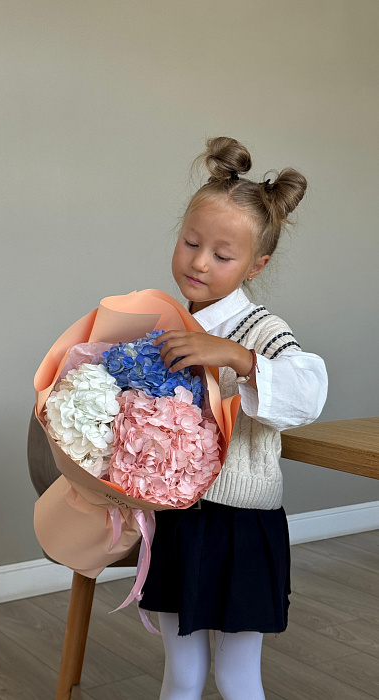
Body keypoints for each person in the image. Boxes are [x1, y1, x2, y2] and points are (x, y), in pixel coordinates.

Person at [138, 136, 328, 699]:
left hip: (242, 524)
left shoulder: (262, 331)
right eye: (190, 242)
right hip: (179, 521)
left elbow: (307, 395)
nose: (199, 262)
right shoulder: (166, 320)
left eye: (222, 255)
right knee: (182, 674)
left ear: (255, 264)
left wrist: (240, 359)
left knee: (238, 675)